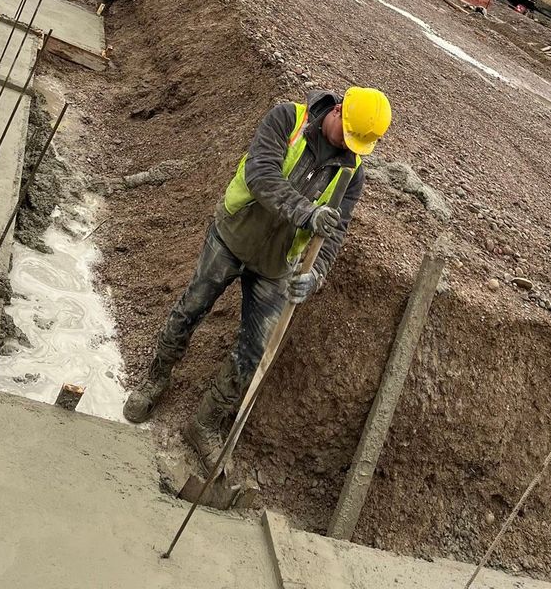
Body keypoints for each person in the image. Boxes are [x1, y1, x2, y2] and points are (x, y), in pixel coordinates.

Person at [122, 86, 393, 470]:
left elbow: (335, 232)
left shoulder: (353, 172)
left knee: (254, 350)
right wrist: (306, 213)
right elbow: (261, 175)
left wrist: (315, 274)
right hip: (232, 236)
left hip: (276, 264)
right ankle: (155, 380)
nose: (350, 147)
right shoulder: (288, 120)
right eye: (348, 135)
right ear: (338, 111)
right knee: (191, 309)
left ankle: (205, 423)